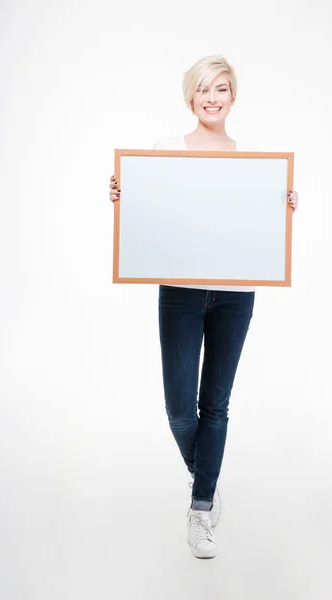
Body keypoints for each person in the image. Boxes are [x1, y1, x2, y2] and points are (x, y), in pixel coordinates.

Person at [109, 55, 298, 559]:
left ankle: (200, 508)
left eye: (221, 90)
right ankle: (210, 481)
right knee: (178, 408)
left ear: (233, 97)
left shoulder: (255, 158)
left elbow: (258, 226)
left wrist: (282, 205)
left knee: (215, 403)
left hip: (236, 292)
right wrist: (127, 195)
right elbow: (150, 214)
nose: (212, 99)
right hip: (182, 290)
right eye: (203, 90)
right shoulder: (165, 150)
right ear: (189, 97)